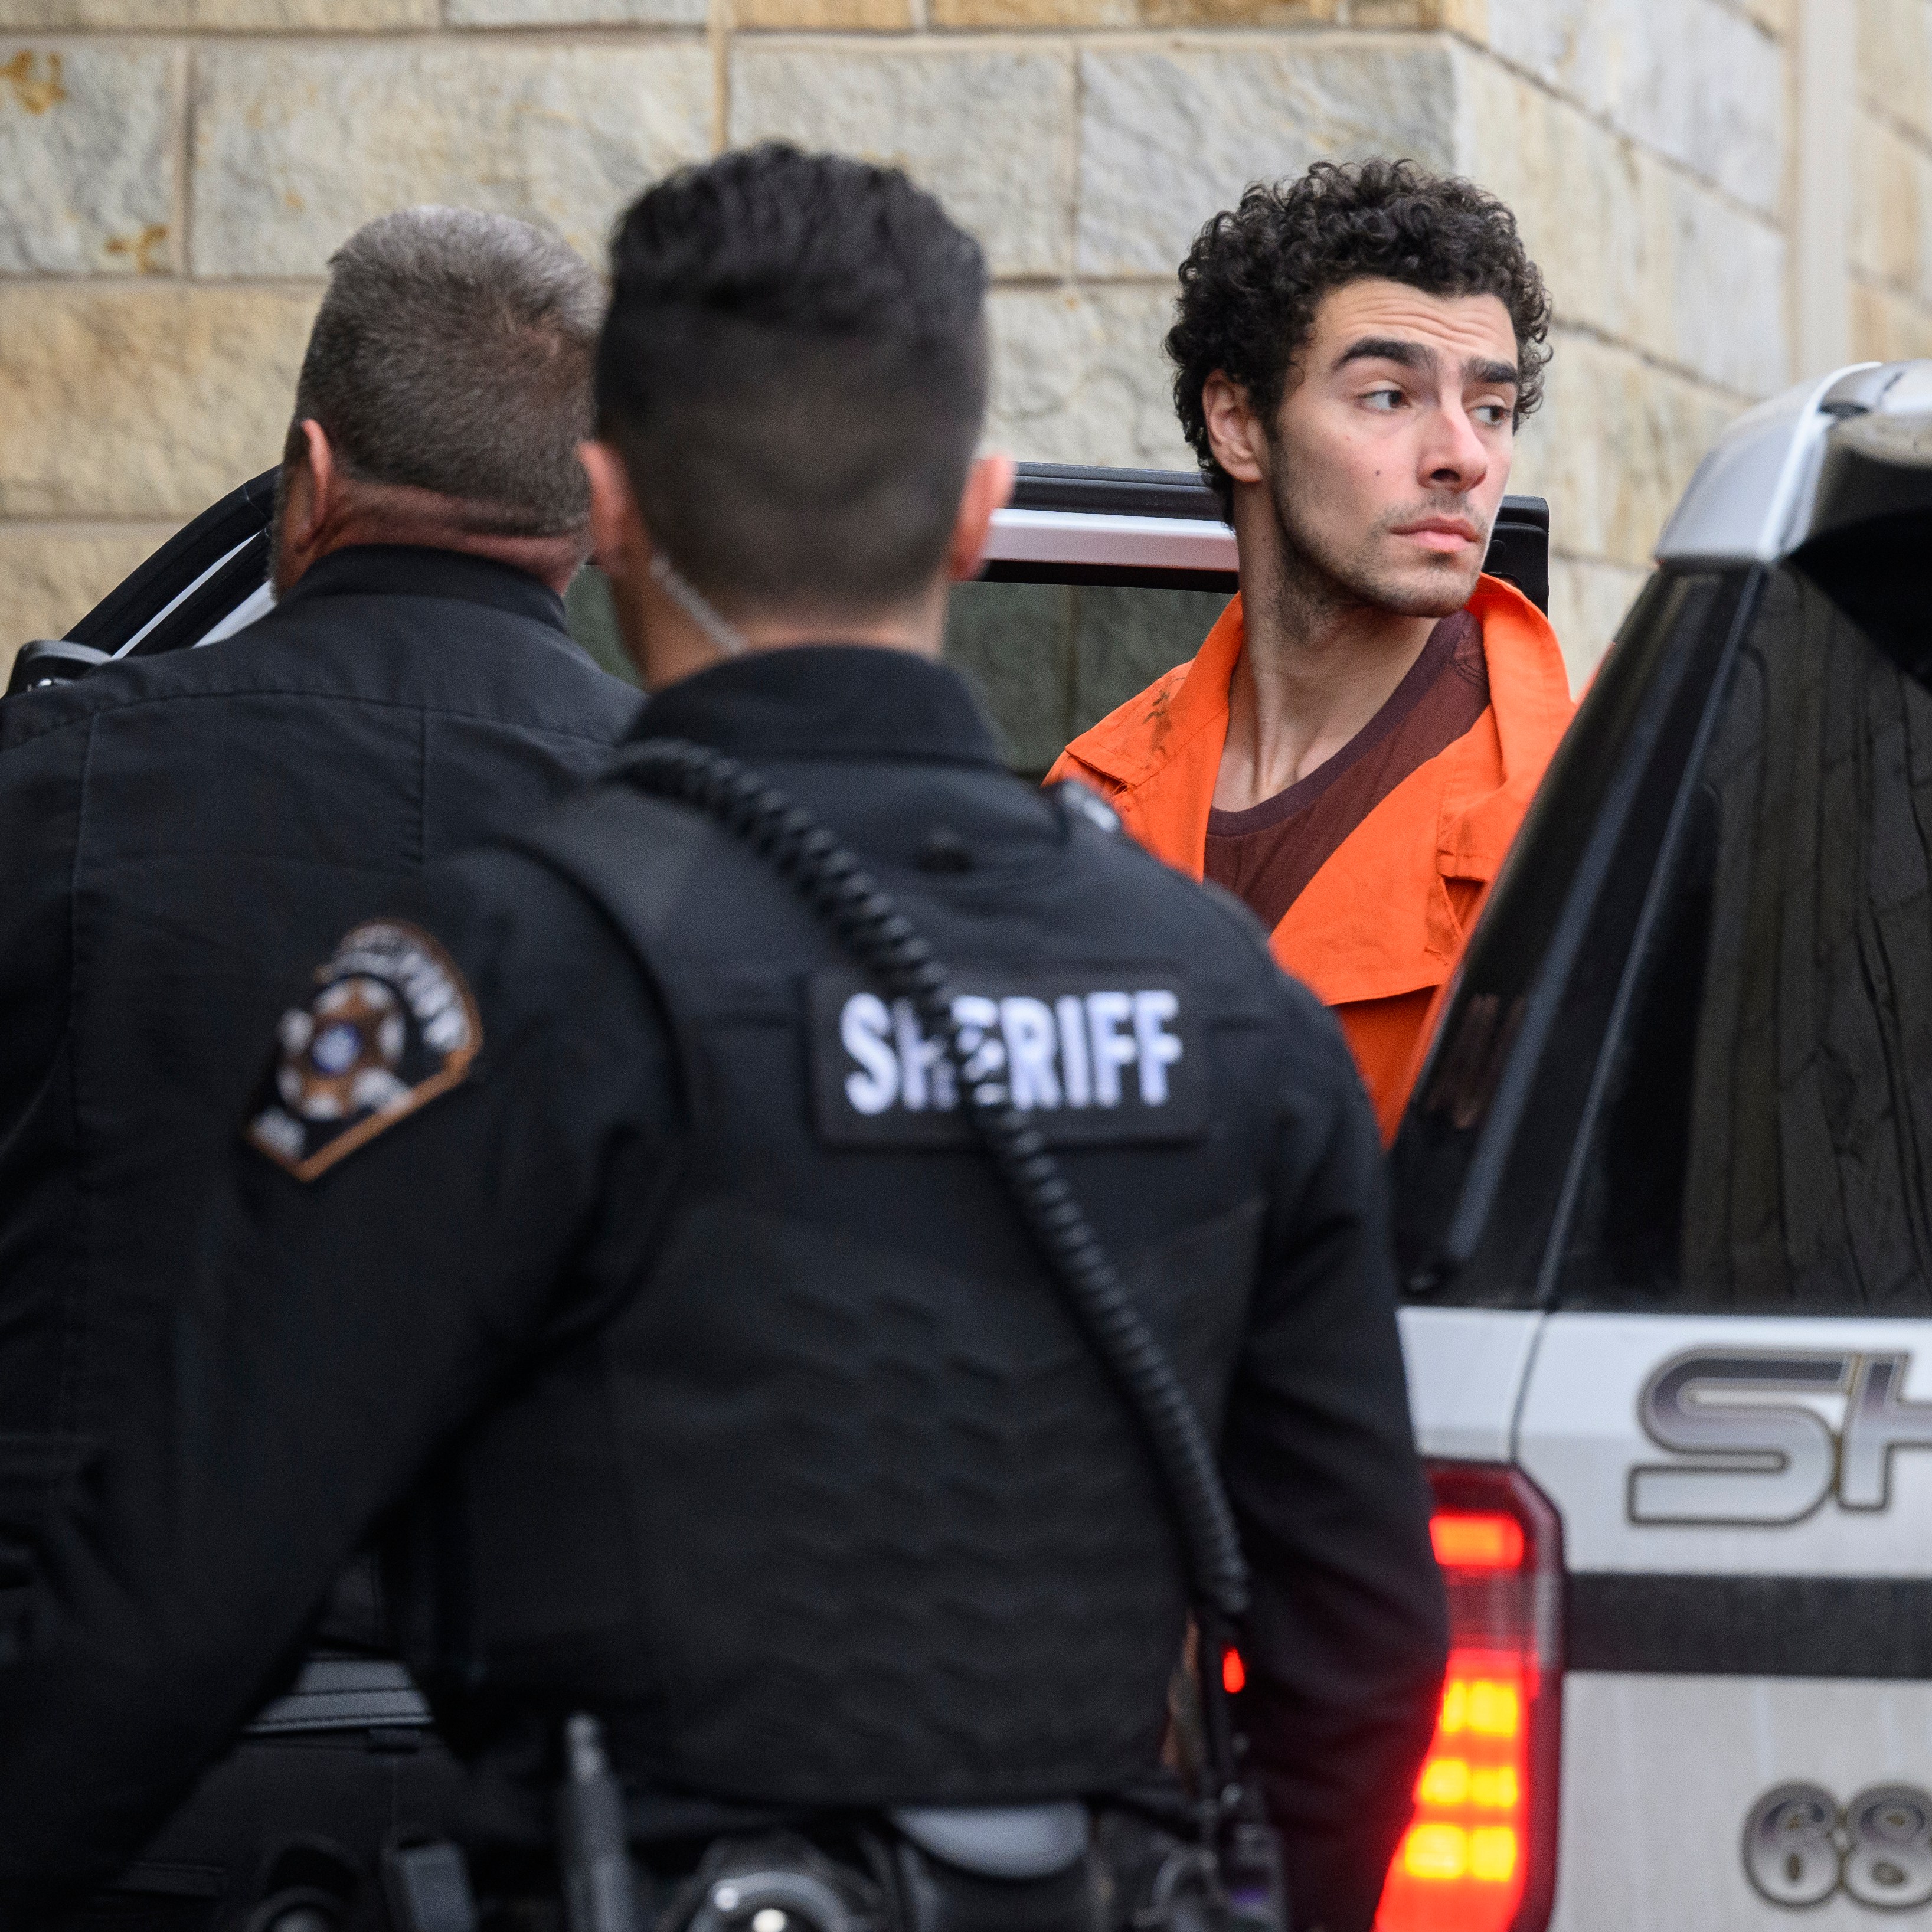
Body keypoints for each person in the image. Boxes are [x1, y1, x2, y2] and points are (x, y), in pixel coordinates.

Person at [0, 148, 1447, 1932]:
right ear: (978, 507)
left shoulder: (505, 972)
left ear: (610, 507)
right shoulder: (1231, 999)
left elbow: (179, 1591)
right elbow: (1366, 1650)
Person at [0, 208, 639, 1917]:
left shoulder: (56, 782)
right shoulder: (710, 832)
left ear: (307, 471)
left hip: (98, 1786)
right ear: (588, 509)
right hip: (563, 1804)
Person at [1048, 160, 1575, 1140]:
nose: (1461, 453)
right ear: (1239, 423)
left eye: (1492, 408)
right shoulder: (1091, 797)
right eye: (1388, 395)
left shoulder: (1579, 820)